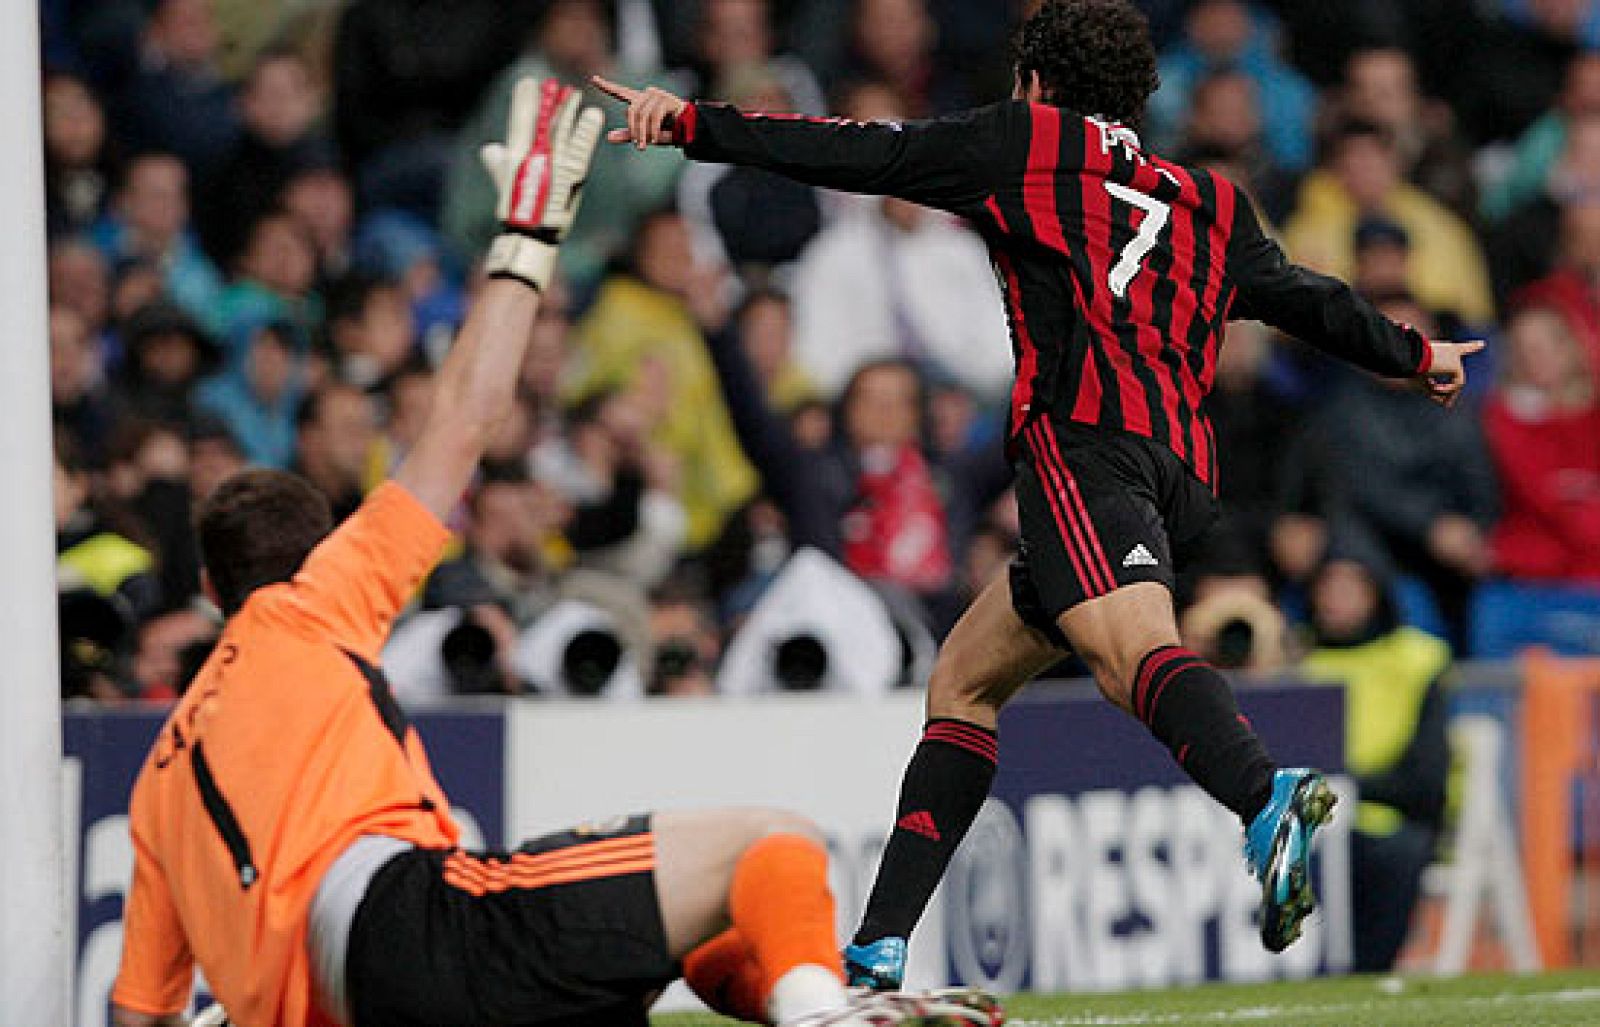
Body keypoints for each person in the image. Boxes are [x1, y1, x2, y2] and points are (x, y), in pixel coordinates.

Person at [594, 0, 1485, 986]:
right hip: (1178, 471)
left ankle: (1261, 791)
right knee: (963, 683)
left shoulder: (1025, 144)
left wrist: (689, 123)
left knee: (1130, 655)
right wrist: (1412, 352)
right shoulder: (1208, 198)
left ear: (1034, 81)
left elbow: (863, 153)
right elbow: (1306, 297)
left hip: (1084, 451)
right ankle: (880, 944)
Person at [109, 78, 991, 1027]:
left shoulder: (160, 777)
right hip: (407, 926)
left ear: (208, 589)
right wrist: (524, 243)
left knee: (679, 934)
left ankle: (810, 1003)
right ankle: (829, 1013)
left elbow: (138, 1014)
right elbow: (462, 422)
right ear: (318, 553)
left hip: (340, 1002)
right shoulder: (313, 605)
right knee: (771, 846)